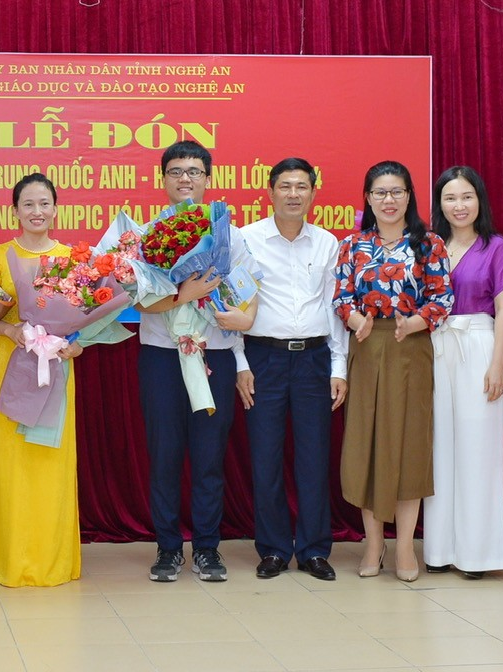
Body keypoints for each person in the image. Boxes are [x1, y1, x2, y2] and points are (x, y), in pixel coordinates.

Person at [332, 160, 453, 583]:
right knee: (366, 441)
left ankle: (404, 546)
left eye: (397, 191)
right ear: (368, 198)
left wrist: (416, 322)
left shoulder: (429, 243)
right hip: (366, 345)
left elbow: (443, 297)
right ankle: (373, 543)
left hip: (410, 346)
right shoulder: (352, 245)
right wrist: (354, 320)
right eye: (380, 192)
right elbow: (341, 296)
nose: (389, 200)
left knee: (407, 443)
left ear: (409, 196)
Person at [140, 140, 250, 583]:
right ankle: (168, 549)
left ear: (208, 179)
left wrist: (238, 353)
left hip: (215, 354)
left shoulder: (230, 233)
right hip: (162, 356)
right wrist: (185, 294)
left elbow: (245, 297)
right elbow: (138, 304)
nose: (185, 179)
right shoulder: (146, 233)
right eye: (176, 171)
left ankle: (207, 548)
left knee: (208, 457)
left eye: (194, 172)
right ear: (162, 179)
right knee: (164, 456)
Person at [233, 158, 348, 582]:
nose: (294, 194)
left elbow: (335, 310)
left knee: (314, 458)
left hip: (315, 359)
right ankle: (275, 549)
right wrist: (240, 364)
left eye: (302, 186)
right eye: (285, 186)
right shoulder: (246, 240)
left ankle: (315, 549)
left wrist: (339, 367)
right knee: (265, 458)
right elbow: (233, 304)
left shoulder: (327, 243)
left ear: (314, 193)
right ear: (270, 190)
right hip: (263, 359)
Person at [0, 173, 84, 587]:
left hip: (56, 369)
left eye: (44, 203)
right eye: (28, 204)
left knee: (49, 463)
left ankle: (52, 560)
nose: (36, 211)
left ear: (55, 209)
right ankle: (7, 556)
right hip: (12, 367)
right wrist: (11, 331)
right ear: (15, 211)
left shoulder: (74, 257)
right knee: (12, 463)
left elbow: (83, 322)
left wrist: (76, 346)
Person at [423, 166, 503, 579]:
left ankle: (478, 554)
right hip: (435, 346)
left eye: (466, 197)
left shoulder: (496, 246)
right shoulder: (429, 245)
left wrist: (498, 364)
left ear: (479, 200)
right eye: (450, 198)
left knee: (478, 448)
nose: (458, 206)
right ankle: (440, 550)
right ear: (439, 204)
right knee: (440, 448)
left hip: (479, 345)